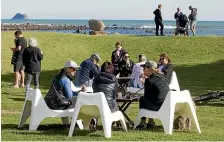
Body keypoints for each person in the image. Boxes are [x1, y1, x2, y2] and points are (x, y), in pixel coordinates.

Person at [136, 61, 170, 130]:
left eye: (144, 68)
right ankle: (151, 121)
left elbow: (147, 97)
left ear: (150, 69)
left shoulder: (149, 81)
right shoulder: (162, 78)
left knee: (142, 99)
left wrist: (145, 83)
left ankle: (143, 122)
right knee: (148, 100)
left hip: (158, 106)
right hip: (166, 104)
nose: (142, 70)